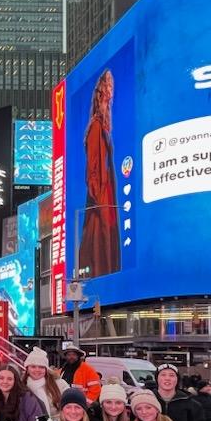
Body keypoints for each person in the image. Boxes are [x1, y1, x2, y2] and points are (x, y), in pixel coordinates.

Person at [77, 69, 121, 278]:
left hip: (107, 197)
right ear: (101, 94)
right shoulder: (96, 127)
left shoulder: (103, 127)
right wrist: (100, 198)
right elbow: (92, 171)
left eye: (112, 87)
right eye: (108, 88)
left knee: (107, 244)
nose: (111, 93)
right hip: (102, 199)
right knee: (100, 246)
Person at [23, 347, 69, 421]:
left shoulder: (59, 385)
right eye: (33, 366)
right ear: (27, 369)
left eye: (41, 367)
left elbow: (69, 408)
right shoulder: (22, 386)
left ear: (46, 369)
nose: (37, 370)